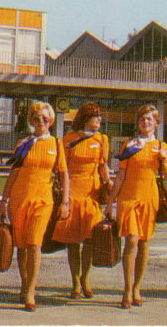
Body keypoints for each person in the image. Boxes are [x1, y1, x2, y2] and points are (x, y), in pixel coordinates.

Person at [0, 101, 71, 311]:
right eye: (37, 118)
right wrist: (4, 201)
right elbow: (14, 174)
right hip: (20, 199)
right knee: (21, 245)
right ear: (31, 120)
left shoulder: (56, 144)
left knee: (34, 243)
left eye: (45, 118)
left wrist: (65, 202)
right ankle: (24, 282)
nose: (41, 122)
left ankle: (31, 291)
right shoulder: (23, 144)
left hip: (43, 201)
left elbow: (64, 175)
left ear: (51, 121)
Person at [104, 104, 167, 309]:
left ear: (156, 123)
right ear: (137, 122)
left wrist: (164, 160)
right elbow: (120, 176)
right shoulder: (129, 145)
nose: (145, 122)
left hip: (149, 198)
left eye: (149, 119)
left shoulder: (161, 145)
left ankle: (137, 288)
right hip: (128, 199)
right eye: (142, 119)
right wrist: (110, 202)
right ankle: (127, 289)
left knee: (144, 243)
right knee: (131, 240)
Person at [52, 102, 112, 299]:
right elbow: (63, 168)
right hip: (73, 192)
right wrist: (65, 196)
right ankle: (75, 282)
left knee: (90, 238)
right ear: (86, 118)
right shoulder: (69, 138)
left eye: (100, 116)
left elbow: (103, 165)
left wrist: (108, 182)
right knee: (73, 241)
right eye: (96, 116)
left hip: (92, 194)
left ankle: (85, 279)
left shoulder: (102, 139)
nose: (99, 119)